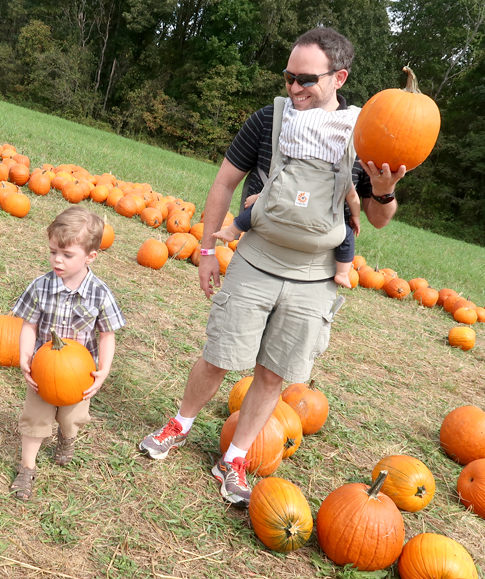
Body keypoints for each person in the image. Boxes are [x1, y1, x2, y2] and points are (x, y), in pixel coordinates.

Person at [138, 27, 405, 507]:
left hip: (316, 276)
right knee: (220, 353)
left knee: (272, 373)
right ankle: (182, 422)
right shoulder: (269, 120)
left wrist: (383, 189)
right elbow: (223, 184)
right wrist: (204, 250)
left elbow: (379, 219)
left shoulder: (363, 134)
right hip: (256, 261)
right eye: (288, 77)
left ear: (339, 77)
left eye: (306, 79)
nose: (294, 88)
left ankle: (236, 456)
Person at [9, 206, 126, 501]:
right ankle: (27, 469)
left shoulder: (100, 293)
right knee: (35, 418)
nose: (57, 260)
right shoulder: (40, 286)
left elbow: (106, 335)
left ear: (90, 256)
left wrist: (104, 370)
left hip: (79, 374)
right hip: (43, 369)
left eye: (66, 254)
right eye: (53, 252)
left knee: (72, 417)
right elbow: (29, 325)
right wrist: (25, 356)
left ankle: (67, 437)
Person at [212, 188, 361, 289]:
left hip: (288, 212)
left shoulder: (294, 163)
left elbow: (273, 187)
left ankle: (231, 232)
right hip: (319, 221)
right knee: (347, 235)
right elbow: (353, 197)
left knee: (257, 210)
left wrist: (258, 198)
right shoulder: (341, 170)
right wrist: (355, 216)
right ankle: (342, 274)